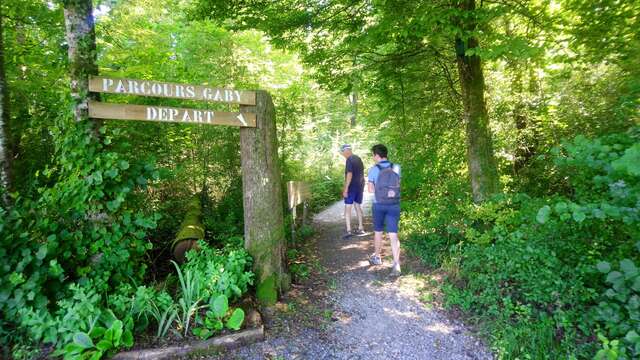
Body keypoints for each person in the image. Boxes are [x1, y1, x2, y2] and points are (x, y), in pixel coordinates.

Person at [367, 144, 402, 275]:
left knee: (378, 232)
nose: (373, 157)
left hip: (379, 204)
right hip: (394, 204)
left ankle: (377, 257)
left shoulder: (373, 169)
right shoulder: (397, 167)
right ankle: (396, 264)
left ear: (377, 155)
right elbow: (397, 186)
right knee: (393, 234)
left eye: (373, 155)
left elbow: (370, 190)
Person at [340, 144, 365, 239]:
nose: (343, 155)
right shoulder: (358, 159)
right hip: (360, 186)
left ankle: (349, 231)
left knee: (348, 208)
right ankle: (361, 228)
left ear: (346, 151)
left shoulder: (349, 160)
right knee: (357, 206)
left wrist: (346, 189)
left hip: (352, 187)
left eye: (342, 152)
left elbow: (349, 174)